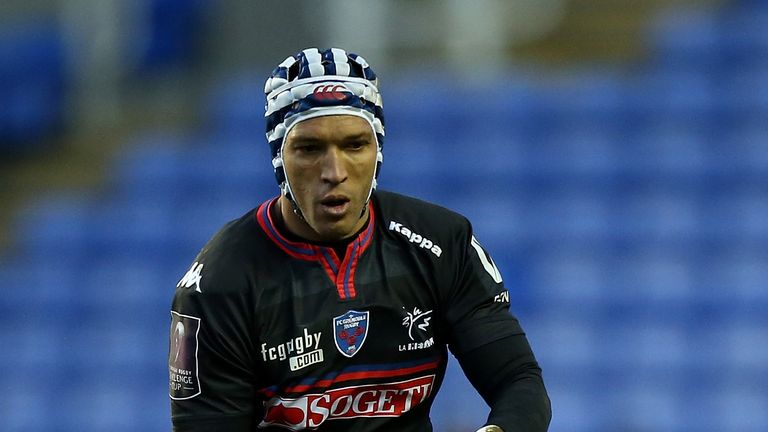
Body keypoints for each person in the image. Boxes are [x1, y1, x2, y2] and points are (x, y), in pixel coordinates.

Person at [169, 47, 551, 432]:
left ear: (377, 149)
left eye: (354, 145)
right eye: (309, 148)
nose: (334, 172)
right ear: (279, 156)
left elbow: (518, 382)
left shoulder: (441, 243)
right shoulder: (218, 284)